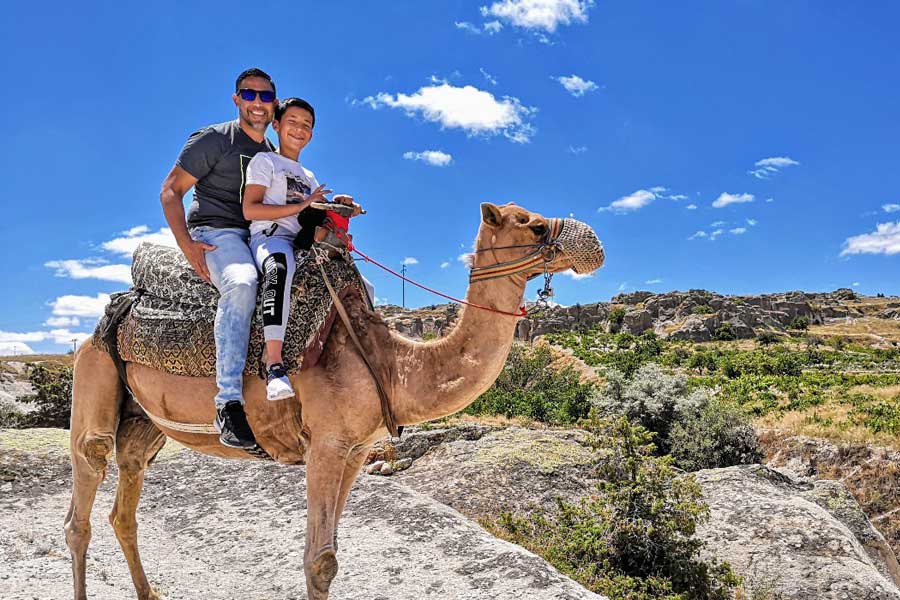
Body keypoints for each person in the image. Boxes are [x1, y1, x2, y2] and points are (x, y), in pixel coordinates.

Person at [159, 67, 277, 449]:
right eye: (250, 94)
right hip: (217, 232)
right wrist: (187, 245)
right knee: (242, 283)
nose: (257, 103)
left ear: (274, 103)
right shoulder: (215, 139)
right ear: (237, 99)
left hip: (258, 233)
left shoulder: (271, 154)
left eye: (265, 96)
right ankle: (228, 403)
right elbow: (170, 191)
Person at [242, 98, 330, 400]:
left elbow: (312, 225)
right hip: (270, 238)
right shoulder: (265, 162)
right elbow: (250, 210)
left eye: (307, 125)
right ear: (277, 125)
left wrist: (337, 213)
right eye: (292, 121)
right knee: (279, 268)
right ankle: (275, 364)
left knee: (358, 282)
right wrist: (304, 203)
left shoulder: (310, 177)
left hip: (301, 245)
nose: (300, 129)